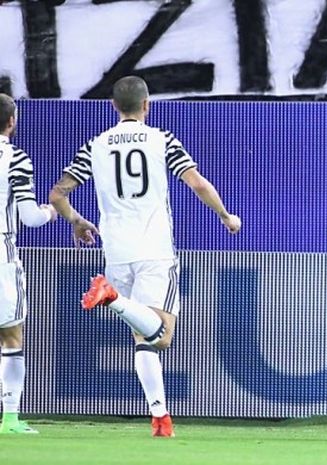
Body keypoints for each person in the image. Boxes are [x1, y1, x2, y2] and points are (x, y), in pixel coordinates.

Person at [49, 76, 241, 437]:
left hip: (117, 251)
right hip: (154, 249)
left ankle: (160, 418)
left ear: (113, 106)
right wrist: (225, 215)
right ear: (146, 105)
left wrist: (76, 221)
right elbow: (197, 182)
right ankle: (113, 297)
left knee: (142, 336)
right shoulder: (161, 139)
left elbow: (58, 192)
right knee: (162, 336)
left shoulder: (96, 144)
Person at [0, 94, 57, 434]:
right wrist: (51, 211)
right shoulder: (15, 158)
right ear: (11, 122)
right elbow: (31, 217)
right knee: (11, 336)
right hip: (0, 254)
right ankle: (9, 418)